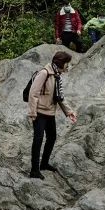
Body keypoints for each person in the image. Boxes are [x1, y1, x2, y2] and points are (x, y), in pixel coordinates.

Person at [27, 51, 77, 179]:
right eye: (67, 63)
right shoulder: (44, 73)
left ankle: (44, 164)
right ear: (61, 63)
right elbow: (33, 93)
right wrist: (32, 113)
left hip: (50, 112)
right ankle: (34, 170)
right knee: (38, 140)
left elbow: (59, 97)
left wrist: (69, 112)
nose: (68, 66)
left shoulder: (56, 75)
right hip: (39, 112)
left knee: (52, 137)